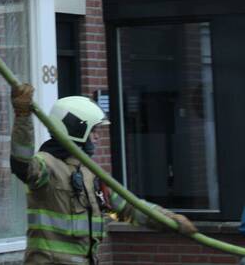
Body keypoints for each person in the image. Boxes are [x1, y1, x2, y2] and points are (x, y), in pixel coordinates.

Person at [10, 83, 196, 264]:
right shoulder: (46, 165)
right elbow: (22, 165)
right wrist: (23, 116)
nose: (98, 137)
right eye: (94, 131)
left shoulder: (91, 175)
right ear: (77, 128)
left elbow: (128, 207)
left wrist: (169, 219)